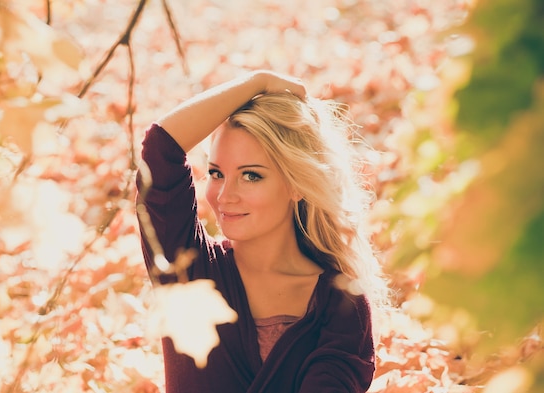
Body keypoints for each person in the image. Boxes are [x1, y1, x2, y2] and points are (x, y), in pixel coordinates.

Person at [136, 70, 390, 393]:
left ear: (297, 185)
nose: (225, 195)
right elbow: (161, 148)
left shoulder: (340, 306)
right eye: (216, 173)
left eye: (251, 176)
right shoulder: (188, 265)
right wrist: (257, 82)